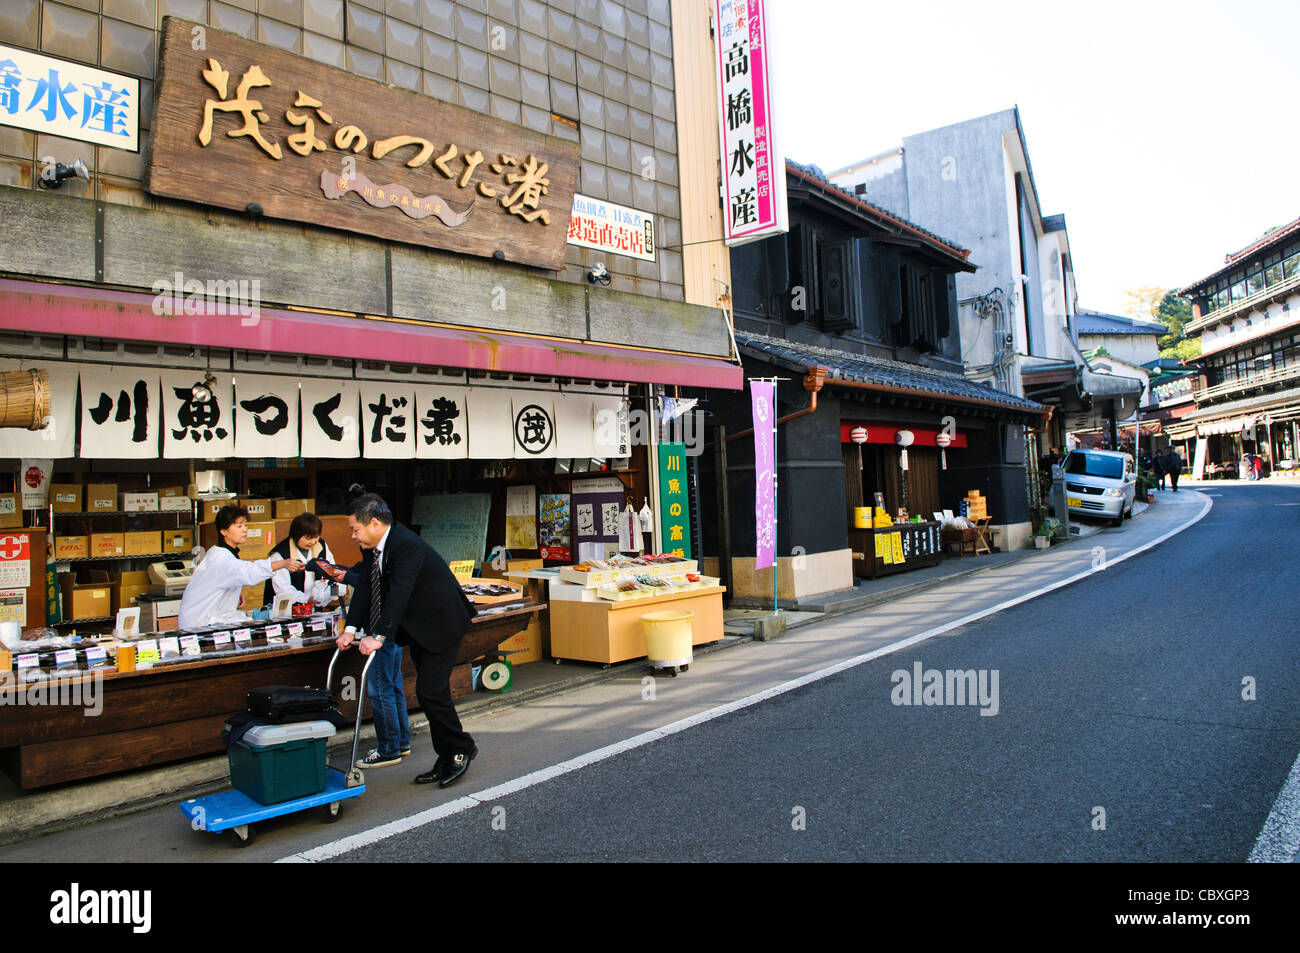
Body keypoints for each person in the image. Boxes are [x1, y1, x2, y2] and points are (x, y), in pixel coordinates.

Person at [330, 494, 477, 787]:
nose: (353, 535)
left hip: (443, 623)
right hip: (421, 627)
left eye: (354, 529)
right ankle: (448, 753)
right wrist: (351, 628)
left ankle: (460, 749)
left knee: (430, 692)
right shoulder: (374, 548)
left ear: (373, 523)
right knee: (430, 693)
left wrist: (378, 637)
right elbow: (366, 589)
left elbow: (399, 594)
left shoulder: (405, 545)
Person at [179, 506, 303, 631]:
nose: (244, 530)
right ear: (224, 531)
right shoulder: (220, 557)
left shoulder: (220, 552)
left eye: (245, 525)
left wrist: (234, 591)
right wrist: (283, 563)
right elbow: (249, 571)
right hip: (199, 624)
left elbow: (222, 579)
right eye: (239, 526)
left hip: (205, 620)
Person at [263, 512, 337, 608]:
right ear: (296, 535)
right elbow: (282, 588)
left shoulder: (321, 546)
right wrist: (306, 599)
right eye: (308, 538)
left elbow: (331, 571)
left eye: (316, 537)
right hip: (286, 609)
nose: (313, 542)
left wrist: (325, 594)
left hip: (314, 607)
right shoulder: (280, 553)